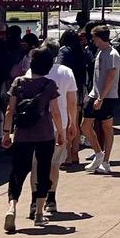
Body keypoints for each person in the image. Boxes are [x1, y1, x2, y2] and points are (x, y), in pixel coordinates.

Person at [1, 46, 61, 232]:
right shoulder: (49, 85)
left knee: (18, 172)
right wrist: (61, 132)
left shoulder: (18, 82)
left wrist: (6, 132)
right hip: (44, 135)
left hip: (22, 135)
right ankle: (39, 213)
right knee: (43, 172)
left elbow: (10, 110)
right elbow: (56, 112)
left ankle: (12, 207)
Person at [83, 26, 120, 174]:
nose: (93, 41)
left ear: (100, 38)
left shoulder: (113, 54)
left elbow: (111, 77)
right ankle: (99, 153)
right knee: (85, 126)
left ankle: (106, 161)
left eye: (94, 38)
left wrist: (101, 97)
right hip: (95, 93)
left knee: (107, 127)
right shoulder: (100, 52)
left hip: (107, 96)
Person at [47, 33, 82, 172]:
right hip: (77, 88)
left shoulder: (63, 54)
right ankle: (74, 154)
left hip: (49, 115)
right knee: (74, 123)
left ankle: (67, 156)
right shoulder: (80, 52)